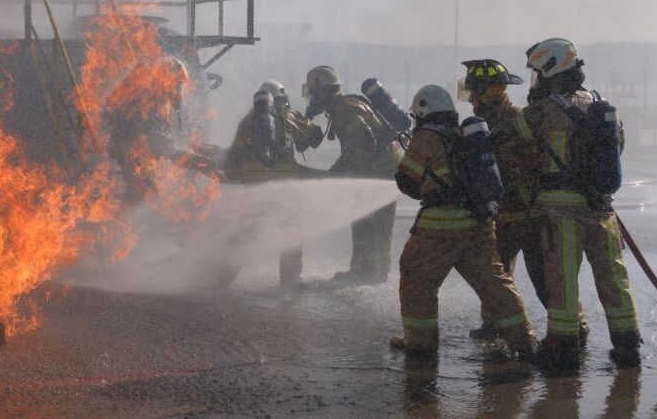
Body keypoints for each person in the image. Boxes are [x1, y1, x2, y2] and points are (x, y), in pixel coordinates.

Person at [517, 38, 640, 369]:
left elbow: (515, 151)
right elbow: (617, 150)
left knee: (562, 281)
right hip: (601, 210)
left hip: (559, 213)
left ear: (550, 70)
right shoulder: (602, 106)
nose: (536, 82)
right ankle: (628, 346)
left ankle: (564, 347)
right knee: (614, 279)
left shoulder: (538, 113)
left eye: (538, 74)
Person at [391, 84, 538, 362]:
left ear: (423, 109)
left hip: (439, 227)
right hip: (478, 224)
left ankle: (420, 345)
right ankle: (525, 341)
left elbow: (407, 180)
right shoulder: (465, 135)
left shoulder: (425, 136)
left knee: (417, 278)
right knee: (494, 284)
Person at [458, 59, 555, 340]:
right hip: (502, 215)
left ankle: (571, 330)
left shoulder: (517, 119)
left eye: (475, 92)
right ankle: (495, 324)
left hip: (531, 214)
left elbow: (539, 160)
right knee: (496, 278)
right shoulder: (481, 125)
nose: (471, 99)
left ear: (492, 91)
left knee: (544, 280)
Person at [221, 80, 323, 290]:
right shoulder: (289, 116)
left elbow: (234, 155)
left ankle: (222, 278)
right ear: (281, 98)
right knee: (290, 234)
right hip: (285, 188)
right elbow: (315, 137)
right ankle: (290, 282)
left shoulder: (247, 122)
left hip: (255, 188)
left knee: (245, 233)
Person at [303, 65, 401, 284]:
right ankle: (372, 271)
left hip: (378, 172)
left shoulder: (346, 109)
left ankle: (369, 272)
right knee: (372, 222)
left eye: (313, 93)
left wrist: (337, 173)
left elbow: (362, 144)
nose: (311, 99)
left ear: (323, 91)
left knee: (369, 220)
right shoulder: (344, 106)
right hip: (383, 169)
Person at [106, 56, 188, 205]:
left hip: (137, 148)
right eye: (176, 85)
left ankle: (130, 223)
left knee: (149, 191)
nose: (177, 90)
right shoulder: (147, 93)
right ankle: (118, 224)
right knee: (138, 192)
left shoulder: (157, 94)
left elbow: (161, 131)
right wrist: (172, 150)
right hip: (128, 147)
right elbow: (153, 133)